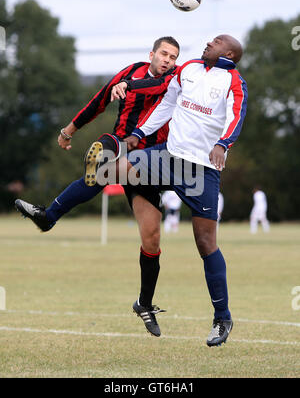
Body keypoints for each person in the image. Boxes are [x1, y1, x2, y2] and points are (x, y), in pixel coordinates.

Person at [86, 34, 248, 346]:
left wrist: (222, 144)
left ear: (228, 52)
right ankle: (52, 212)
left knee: (205, 242)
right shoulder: (188, 68)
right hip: (168, 158)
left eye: (215, 42)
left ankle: (222, 318)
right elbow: (166, 104)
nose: (207, 43)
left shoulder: (233, 80)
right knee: (108, 172)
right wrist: (138, 133)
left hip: (201, 170)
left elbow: (236, 116)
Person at [15, 36, 180, 337]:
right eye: (164, 54)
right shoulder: (130, 71)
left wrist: (129, 86)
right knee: (103, 157)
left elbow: (157, 87)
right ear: (152, 54)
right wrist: (68, 130)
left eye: (173, 56)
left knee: (152, 238)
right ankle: (51, 212)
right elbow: (99, 101)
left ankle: (144, 303)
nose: (168, 60)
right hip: (122, 145)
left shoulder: (175, 78)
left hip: (151, 162)